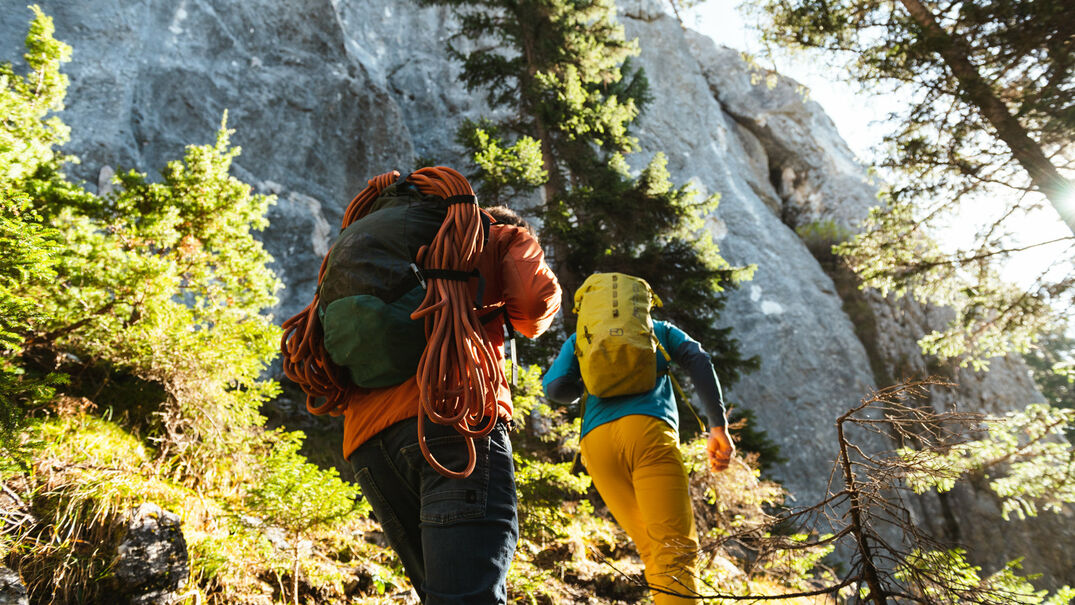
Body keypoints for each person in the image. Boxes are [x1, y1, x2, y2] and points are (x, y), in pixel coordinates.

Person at [291, 169, 561, 604]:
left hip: (369, 447)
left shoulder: (386, 247)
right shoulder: (502, 236)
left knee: (443, 594)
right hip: (453, 422)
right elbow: (534, 311)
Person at [542, 289, 733, 605]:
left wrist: (587, 383)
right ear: (641, 302)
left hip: (597, 444)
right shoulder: (657, 331)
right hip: (648, 434)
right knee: (673, 550)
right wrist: (717, 426)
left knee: (652, 549)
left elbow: (555, 387)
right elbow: (699, 359)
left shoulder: (580, 339)